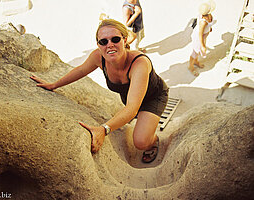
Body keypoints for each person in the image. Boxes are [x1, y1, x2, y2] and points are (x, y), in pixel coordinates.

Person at [30, 19, 168, 163]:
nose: (110, 45)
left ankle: (153, 140)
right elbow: (81, 70)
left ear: (124, 40)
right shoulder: (98, 57)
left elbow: (132, 108)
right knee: (135, 120)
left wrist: (104, 129)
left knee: (140, 142)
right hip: (130, 96)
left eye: (115, 39)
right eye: (103, 42)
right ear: (98, 45)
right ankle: (145, 124)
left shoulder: (139, 63)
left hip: (153, 97)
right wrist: (54, 85)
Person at [188, 0, 216, 76]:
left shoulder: (208, 16)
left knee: (197, 51)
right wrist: (203, 45)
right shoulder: (203, 22)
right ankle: (191, 66)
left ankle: (196, 61)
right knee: (195, 51)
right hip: (198, 38)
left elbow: (209, 24)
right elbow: (200, 34)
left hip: (203, 37)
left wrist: (209, 28)